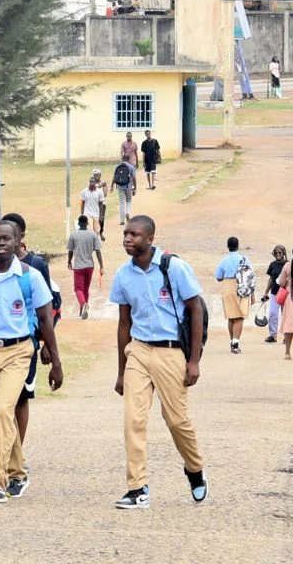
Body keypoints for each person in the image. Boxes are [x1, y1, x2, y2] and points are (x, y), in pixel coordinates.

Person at [0, 219, 62, 503]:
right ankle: (19, 473)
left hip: (19, 351)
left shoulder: (30, 276)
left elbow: (45, 319)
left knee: (4, 410)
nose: (1, 243)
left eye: (7, 238)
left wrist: (56, 361)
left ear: (18, 242)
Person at [110, 215, 208, 510]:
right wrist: (120, 372)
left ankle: (195, 469)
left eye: (134, 235)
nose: (128, 239)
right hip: (138, 351)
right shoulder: (123, 275)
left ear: (150, 239)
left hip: (170, 352)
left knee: (177, 420)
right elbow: (124, 323)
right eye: (126, 234)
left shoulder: (173, 267)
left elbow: (195, 311)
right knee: (133, 420)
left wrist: (193, 361)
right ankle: (137, 488)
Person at [214, 236, 253, 354]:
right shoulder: (244, 259)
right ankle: (235, 344)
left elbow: (218, 277)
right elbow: (251, 276)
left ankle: (232, 341)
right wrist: (253, 293)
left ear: (228, 246)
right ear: (237, 246)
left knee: (231, 317)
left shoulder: (223, 260)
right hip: (241, 286)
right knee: (240, 316)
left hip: (227, 287)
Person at [67, 215, 105, 319]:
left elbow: (70, 251)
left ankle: (83, 305)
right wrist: (101, 266)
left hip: (79, 266)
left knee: (78, 289)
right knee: (85, 289)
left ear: (78, 224)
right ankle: (82, 311)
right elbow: (98, 251)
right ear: (87, 223)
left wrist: (69, 262)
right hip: (90, 266)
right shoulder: (93, 235)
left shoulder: (73, 235)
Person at [264, 245, 287, 343]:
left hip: (285, 293)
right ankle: (273, 335)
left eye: (280, 253)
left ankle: (287, 336)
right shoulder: (272, 264)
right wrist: (266, 292)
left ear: (284, 253)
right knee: (273, 313)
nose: (278, 255)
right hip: (274, 292)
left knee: (285, 314)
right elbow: (270, 279)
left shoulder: (288, 264)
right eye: (276, 253)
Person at [113, 159, 137, 225]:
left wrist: (112, 186)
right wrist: (135, 187)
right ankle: (127, 213)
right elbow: (134, 178)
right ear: (129, 159)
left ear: (122, 159)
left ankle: (121, 220)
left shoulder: (117, 166)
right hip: (128, 186)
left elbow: (114, 177)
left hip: (119, 186)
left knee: (121, 202)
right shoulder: (131, 167)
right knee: (128, 201)